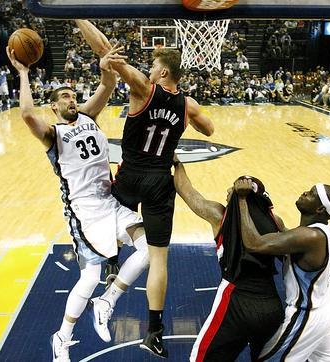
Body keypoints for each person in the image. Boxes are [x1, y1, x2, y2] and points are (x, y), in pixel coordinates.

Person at [76, 19, 215, 357]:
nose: (149, 69)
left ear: (163, 73)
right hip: (159, 180)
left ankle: (111, 266)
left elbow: (105, 51)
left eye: (154, 66)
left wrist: (79, 15)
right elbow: (209, 129)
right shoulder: (188, 104)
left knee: (111, 221)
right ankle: (154, 332)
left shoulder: (143, 88)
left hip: (131, 173)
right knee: (158, 259)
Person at [7, 45, 148, 362]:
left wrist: (104, 67)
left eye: (74, 95)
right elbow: (28, 115)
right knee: (88, 277)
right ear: (54, 107)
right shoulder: (51, 134)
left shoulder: (88, 115)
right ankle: (62, 337)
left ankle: (107, 301)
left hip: (109, 203)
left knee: (149, 248)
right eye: (65, 98)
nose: (72, 100)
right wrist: (24, 73)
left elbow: (108, 85)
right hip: (83, 213)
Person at [174, 162, 283, 361]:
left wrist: (176, 163)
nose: (227, 191)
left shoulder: (220, 216)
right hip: (272, 306)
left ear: (241, 196)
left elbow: (187, 192)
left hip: (236, 301)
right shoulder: (276, 222)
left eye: (232, 189)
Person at [235, 180, 330, 361]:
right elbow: (291, 239)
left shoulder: (311, 236)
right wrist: (278, 224)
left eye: (311, 194)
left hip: (309, 314)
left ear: (319, 210)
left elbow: (253, 244)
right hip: (329, 306)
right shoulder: (320, 231)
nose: (304, 192)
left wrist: (242, 199)